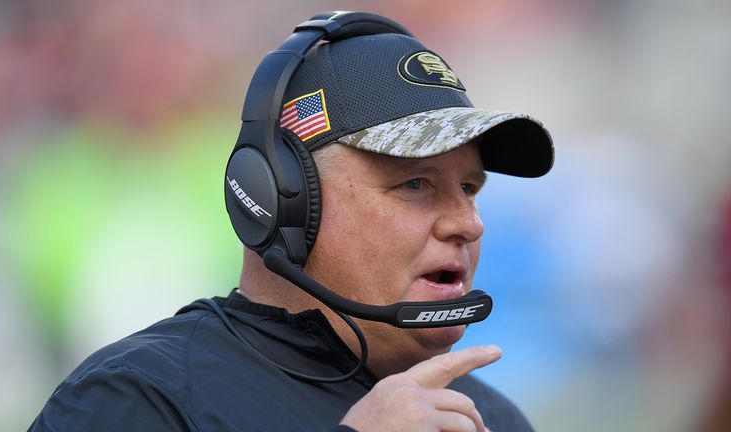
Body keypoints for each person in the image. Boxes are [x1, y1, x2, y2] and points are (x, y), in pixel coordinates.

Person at [29, 11, 553, 432]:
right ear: (282, 198)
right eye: (415, 184)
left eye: (469, 189)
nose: (468, 223)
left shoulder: (492, 419)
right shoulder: (138, 398)